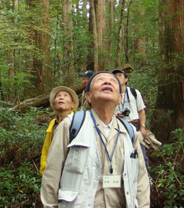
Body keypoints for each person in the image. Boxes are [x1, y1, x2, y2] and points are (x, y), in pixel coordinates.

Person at [41, 71, 150, 208]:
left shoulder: (130, 132)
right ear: (89, 96)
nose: (107, 81)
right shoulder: (71, 125)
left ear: (119, 99)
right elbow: (52, 173)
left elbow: (141, 179)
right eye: (100, 80)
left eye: (112, 80)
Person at [40, 86, 79, 175]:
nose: (61, 97)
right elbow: (46, 149)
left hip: (73, 172)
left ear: (72, 104)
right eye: (58, 96)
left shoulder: (78, 121)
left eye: (65, 96)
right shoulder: (52, 124)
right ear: (54, 105)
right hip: (54, 172)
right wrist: (44, 171)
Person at [112, 69, 147, 138]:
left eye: (120, 75)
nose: (117, 77)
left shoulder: (134, 92)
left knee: (138, 147)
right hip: (117, 127)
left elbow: (141, 110)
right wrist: (115, 116)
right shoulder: (111, 94)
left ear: (126, 79)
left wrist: (142, 126)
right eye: (115, 76)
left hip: (134, 125)